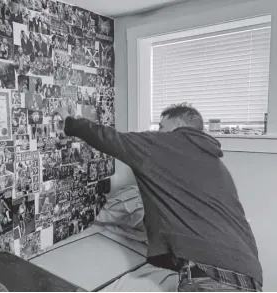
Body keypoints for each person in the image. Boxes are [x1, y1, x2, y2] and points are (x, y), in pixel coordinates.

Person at [53, 102, 263, 292]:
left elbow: (111, 138)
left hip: (210, 279)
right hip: (250, 277)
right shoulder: (218, 166)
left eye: (162, 126)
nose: (158, 131)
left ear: (178, 123)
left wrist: (70, 121)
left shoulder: (164, 144)